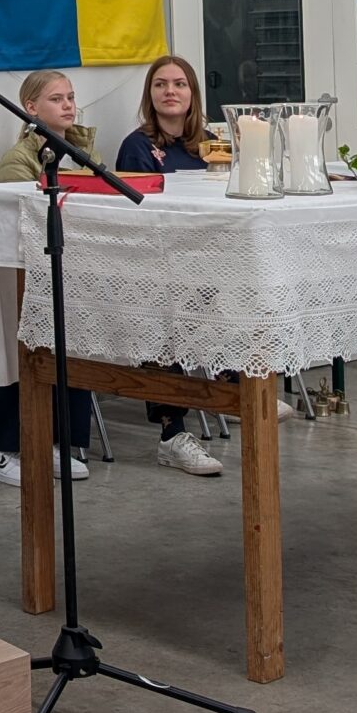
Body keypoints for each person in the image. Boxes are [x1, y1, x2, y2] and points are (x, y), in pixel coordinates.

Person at [0, 69, 98, 487]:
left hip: (75, 268)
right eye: (56, 99)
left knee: (73, 343)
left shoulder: (83, 152)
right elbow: (21, 223)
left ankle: (55, 440)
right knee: (23, 344)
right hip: (27, 276)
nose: (68, 105)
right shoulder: (18, 160)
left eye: (71, 97)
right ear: (31, 108)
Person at [116, 55, 225, 477]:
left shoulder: (211, 143)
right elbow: (138, 216)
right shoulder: (138, 146)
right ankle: (173, 434)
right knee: (161, 313)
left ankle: (239, 385)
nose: (170, 91)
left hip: (205, 258)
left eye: (179, 84)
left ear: (193, 92)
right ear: (150, 95)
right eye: (160, 84)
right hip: (154, 264)